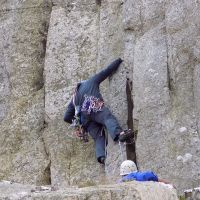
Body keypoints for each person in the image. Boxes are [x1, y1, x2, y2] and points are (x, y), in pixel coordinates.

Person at [64, 58, 134, 164]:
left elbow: (66, 117)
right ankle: (119, 134)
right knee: (107, 118)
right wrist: (119, 60)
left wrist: (79, 124)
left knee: (98, 136)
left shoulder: (74, 98)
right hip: (95, 107)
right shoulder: (90, 82)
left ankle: (101, 156)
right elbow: (107, 71)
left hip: (86, 120)